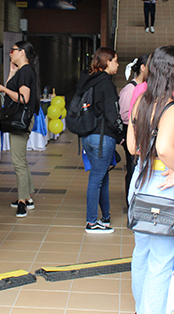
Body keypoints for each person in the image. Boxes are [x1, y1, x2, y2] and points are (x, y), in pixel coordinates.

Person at [127, 46, 174, 314]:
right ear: (173, 73)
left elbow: (132, 147)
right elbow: (165, 148)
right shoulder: (173, 107)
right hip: (163, 186)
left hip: (140, 181)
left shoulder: (141, 101)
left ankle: (141, 306)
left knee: (141, 253)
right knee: (162, 260)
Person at [75, 47, 123, 234]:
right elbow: (112, 115)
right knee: (97, 178)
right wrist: (121, 135)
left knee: (102, 176)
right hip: (102, 138)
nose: (117, 64)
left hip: (87, 136)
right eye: (115, 61)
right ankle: (91, 222)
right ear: (107, 61)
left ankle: (105, 216)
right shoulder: (106, 84)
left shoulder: (88, 81)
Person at [0, 41, 39, 218]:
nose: (10, 54)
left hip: (20, 121)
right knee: (21, 159)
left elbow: (23, 98)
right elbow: (12, 90)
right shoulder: (22, 71)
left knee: (18, 161)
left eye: (13, 51)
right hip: (19, 120)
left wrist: (3, 88)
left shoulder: (26, 71)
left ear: (23, 52)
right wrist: (11, 73)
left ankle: (22, 201)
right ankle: (27, 196)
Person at [120, 55, 148, 203]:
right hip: (131, 135)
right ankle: (131, 201)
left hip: (141, 134)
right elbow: (124, 116)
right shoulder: (129, 90)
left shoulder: (145, 88)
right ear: (143, 68)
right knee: (132, 169)